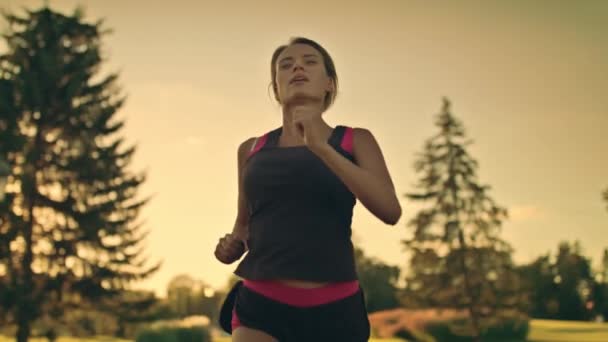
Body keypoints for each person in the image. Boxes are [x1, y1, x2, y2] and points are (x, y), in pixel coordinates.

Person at [214, 37, 402, 342]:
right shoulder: (251, 149)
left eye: (309, 61)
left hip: (336, 310)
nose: (297, 67)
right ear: (276, 87)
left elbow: (390, 211)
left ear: (329, 83)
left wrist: (321, 148)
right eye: (285, 65)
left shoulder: (355, 140)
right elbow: (243, 226)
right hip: (261, 306)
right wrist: (231, 246)